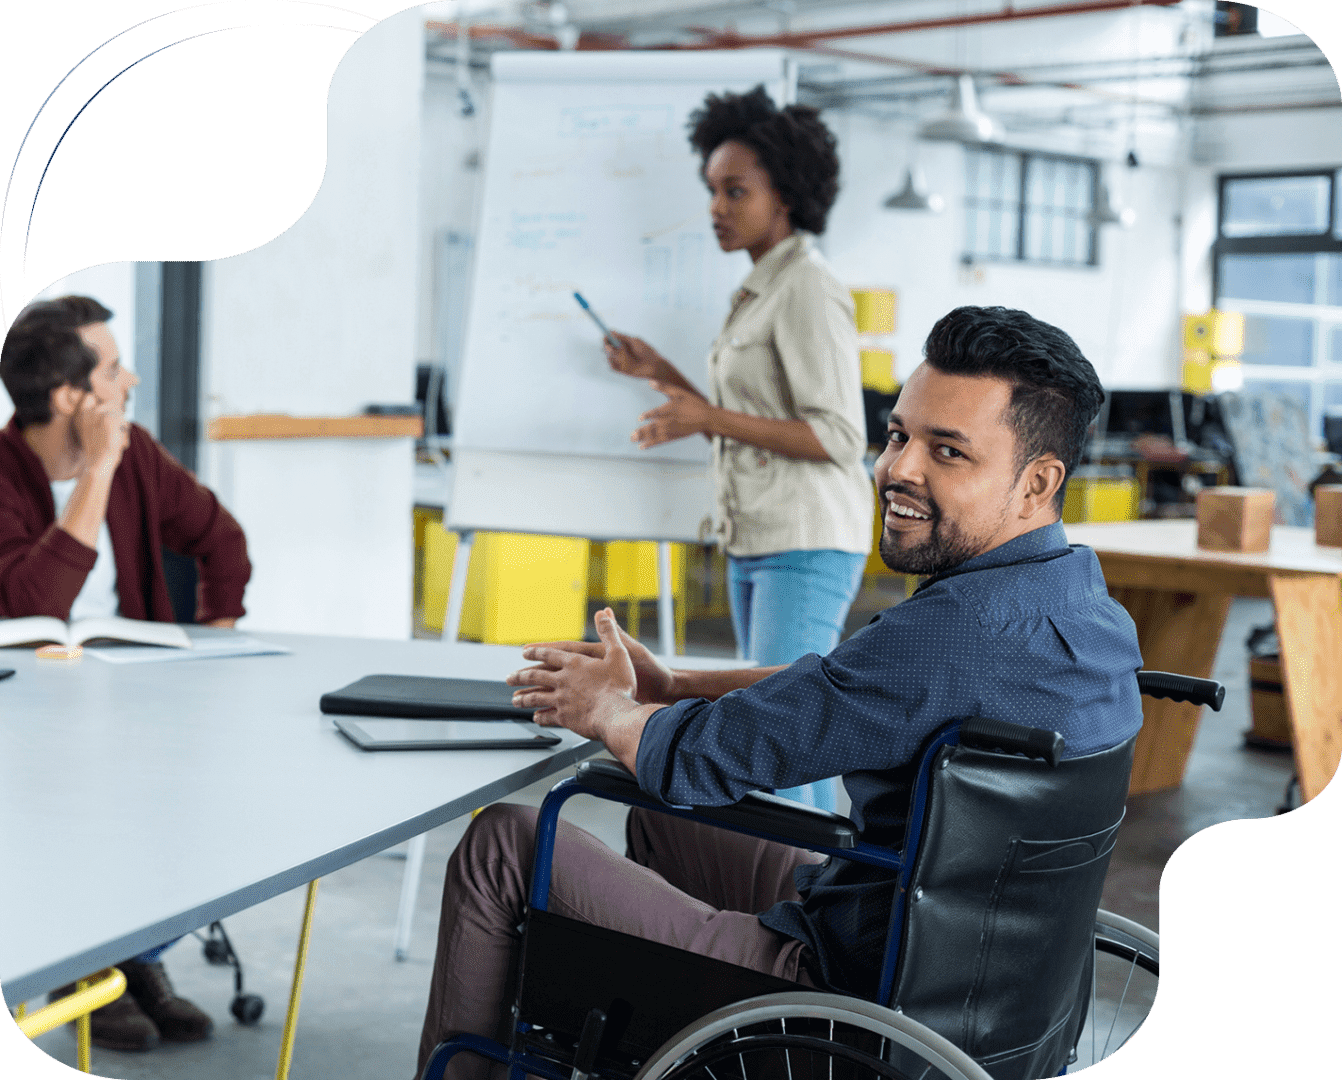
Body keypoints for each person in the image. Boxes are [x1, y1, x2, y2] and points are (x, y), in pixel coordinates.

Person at [414, 305, 1144, 1076]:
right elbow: (855, 686)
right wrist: (678, 682)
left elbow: (697, 758)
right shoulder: (1084, 607)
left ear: (1037, 483)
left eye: (948, 452)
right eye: (898, 435)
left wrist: (605, 709)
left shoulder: (954, 630)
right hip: (970, 987)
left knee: (509, 842)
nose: (898, 469)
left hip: (847, 1009)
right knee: (675, 828)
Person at [602, 86, 873, 810]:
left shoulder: (808, 289)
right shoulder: (762, 287)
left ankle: (808, 903)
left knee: (790, 736)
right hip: (758, 535)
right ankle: (794, 898)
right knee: (777, 723)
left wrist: (706, 418)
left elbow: (842, 435)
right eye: (712, 191)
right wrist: (660, 372)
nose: (717, 208)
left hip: (806, 536)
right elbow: (743, 410)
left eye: (734, 191)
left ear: (784, 193)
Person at [0, 294, 252, 1051]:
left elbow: (222, 539)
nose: (131, 379)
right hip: (26, 715)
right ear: (71, 397)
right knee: (80, 801)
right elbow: (29, 611)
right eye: (113, 370)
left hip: (134, 697)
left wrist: (214, 638)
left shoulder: (137, 454)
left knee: (206, 803)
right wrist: (97, 468)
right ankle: (86, 971)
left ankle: (131, 960)